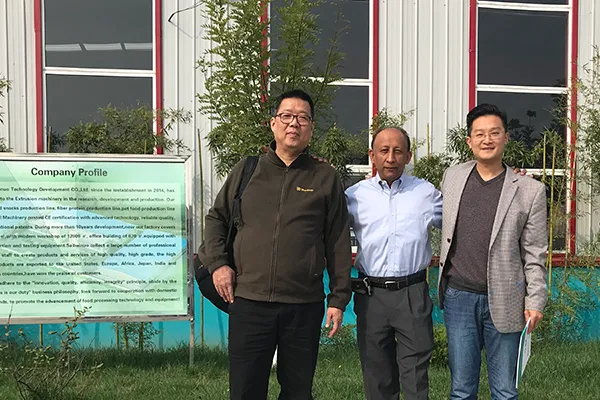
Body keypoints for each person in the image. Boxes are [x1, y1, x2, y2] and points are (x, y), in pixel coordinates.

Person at [199, 89, 352, 400]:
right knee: (245, 390)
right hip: (249, 301)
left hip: (303, 304)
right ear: (273, 123)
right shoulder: (247, 170)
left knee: (297, 392)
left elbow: (337, 239)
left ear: (311, 128)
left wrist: (338, 299)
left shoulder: (325, 176)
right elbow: (216, 219)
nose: (294, 123)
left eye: (302, 118)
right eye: (286, 116)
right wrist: (218, 265)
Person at [438, 103, 547, 400]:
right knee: (461, 390)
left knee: (505, 391)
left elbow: (535, 253)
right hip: (459, 297)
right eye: (480, 134)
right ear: (469, 141)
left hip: (507, 298)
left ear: (506, 137)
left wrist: (535, 299)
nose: (487, 140)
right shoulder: (452, 177)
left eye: (494, 133)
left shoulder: (529, 190)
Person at [346, 126, 443, 400]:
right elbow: (324, 227)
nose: (391, 158)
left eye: (398, 151)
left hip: (412, 293)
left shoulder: (426, 193)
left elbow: (460, 221)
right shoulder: (354, 196)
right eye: (384, 151)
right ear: (372, 156)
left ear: (408, 156)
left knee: (415, 377)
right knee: (377, 377)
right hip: (371, 295)